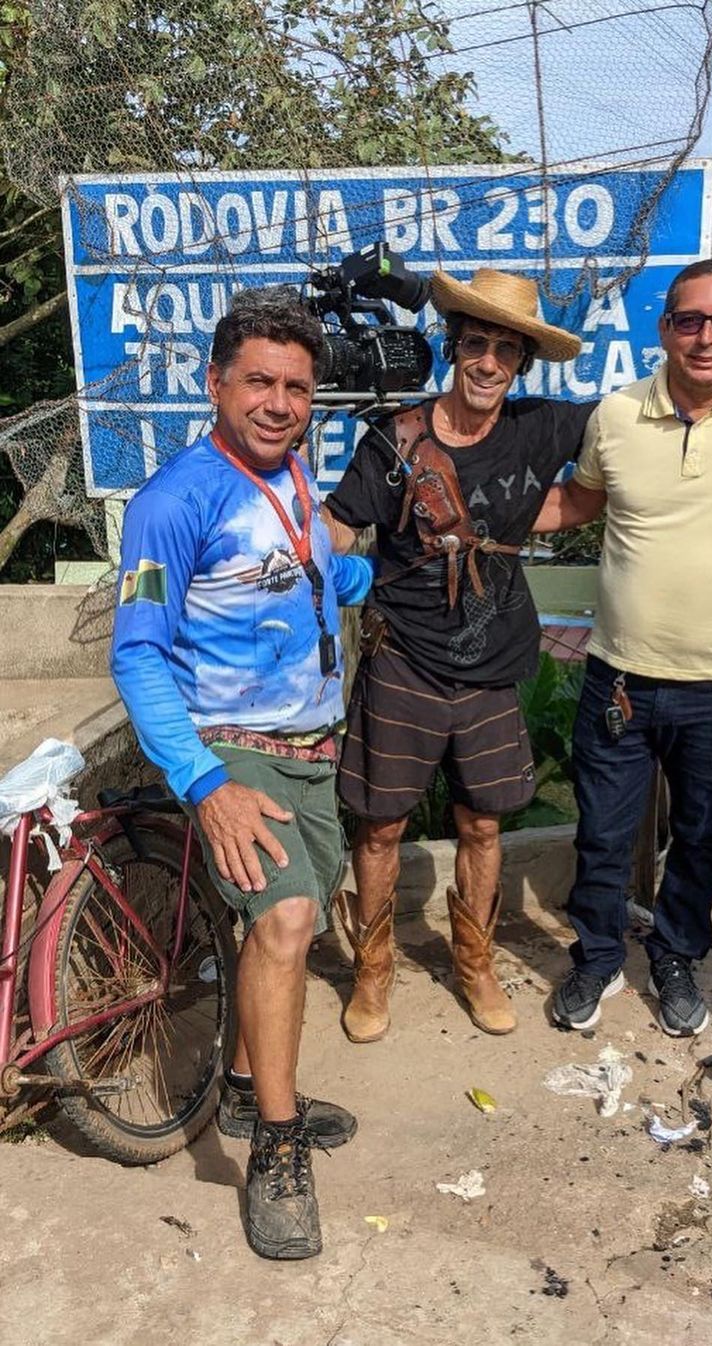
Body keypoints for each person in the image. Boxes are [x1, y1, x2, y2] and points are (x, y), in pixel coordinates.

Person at [111, 286, 376, 1261]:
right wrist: (206, 782)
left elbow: (317, 571)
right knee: (287, 919)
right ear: (216, 382)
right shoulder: (172, 501)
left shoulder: (298, 476)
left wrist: (380, 576)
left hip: (313, 749)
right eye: (258, 381)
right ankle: (274, 1142)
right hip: (228, 748)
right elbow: (137, 654)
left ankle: (237, 1084)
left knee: (291, 929)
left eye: (297, 386)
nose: (277, 401)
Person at [531, 259, 712, 1037]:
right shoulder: (619, 414)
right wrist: (479, 518)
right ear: (664, 328)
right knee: (603, 830)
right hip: (618, 675)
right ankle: (595, 958)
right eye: (689, 320)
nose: (706, 337)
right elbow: (581, 501)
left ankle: (676, 953)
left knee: (700, 831)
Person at [321, 270, 592, 1042]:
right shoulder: (395, 439)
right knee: (379, 830)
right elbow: (337, 528)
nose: (489, 362)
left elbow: (642, 417)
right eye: (477, 343)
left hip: (492, 667)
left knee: (482, 828)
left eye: (507, 350)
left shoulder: (542, 428)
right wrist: (279, 545)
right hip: (401, 661)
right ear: (453, 346)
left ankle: (473, 962)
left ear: (520, 364)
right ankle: (373, 971)